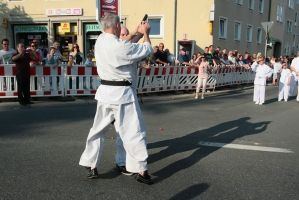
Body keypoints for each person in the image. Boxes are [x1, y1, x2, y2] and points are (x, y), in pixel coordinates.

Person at [79, 13, 153, 185]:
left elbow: (123, 42)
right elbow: (146, 49)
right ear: (118, 25)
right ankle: (141, 170)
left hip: (105, 92)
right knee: (134, 131)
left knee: (98, 130)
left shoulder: (100, 40)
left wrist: (137, 31)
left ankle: (91, 164)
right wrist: (146, 33)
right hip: (122, 94)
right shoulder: (121, 47)